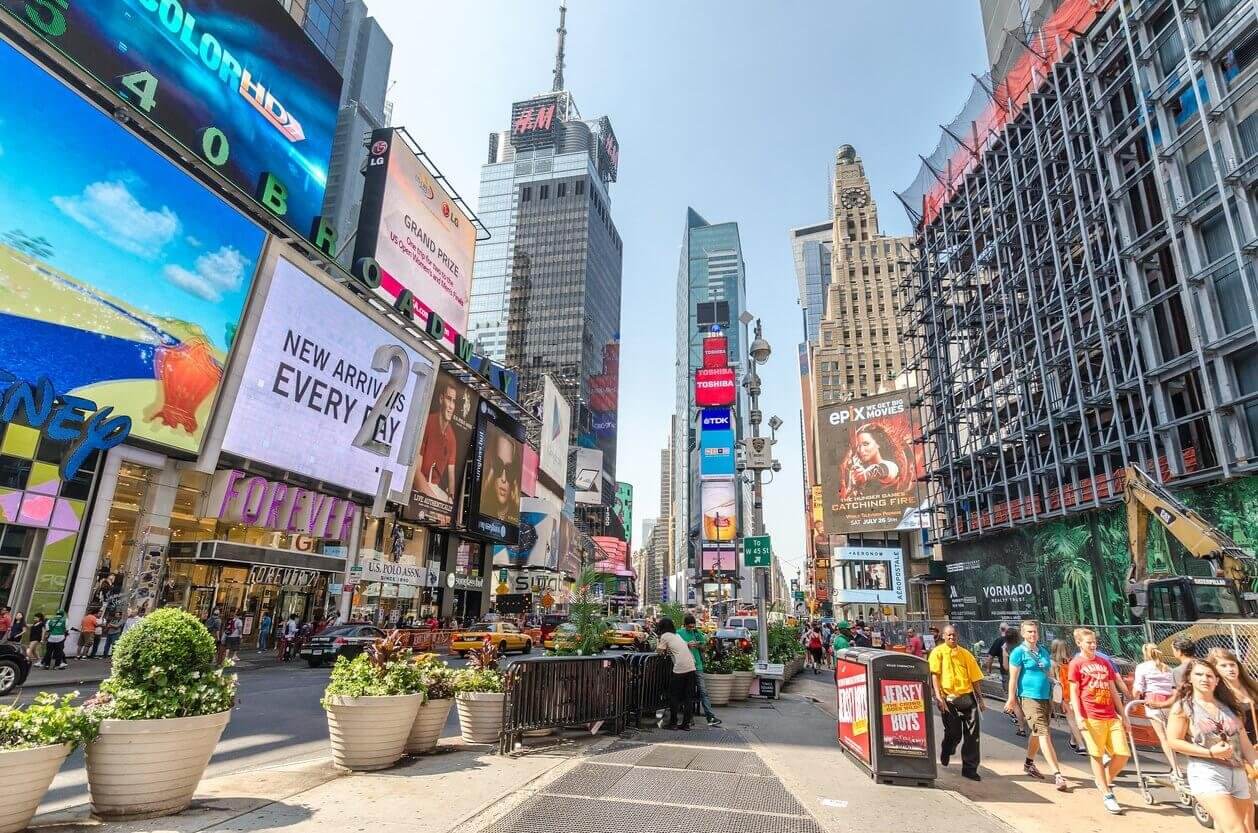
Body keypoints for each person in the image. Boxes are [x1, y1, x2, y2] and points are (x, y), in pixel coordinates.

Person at [1166, 659, 1258, 833]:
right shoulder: (1183, 707)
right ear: (1189, 679)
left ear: (1217, 680)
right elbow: (1174, 741)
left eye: (1209, 675)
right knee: (1237, 829)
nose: (1204, 679)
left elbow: (1245, 744)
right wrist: (1210, 752)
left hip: (1238, 773)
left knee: (1236, 828)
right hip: (1207, 772)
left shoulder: (1230, 707)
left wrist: (1256, 763)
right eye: (1199, 674)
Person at [1069, 627, 1129, 814]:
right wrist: (1079, 717)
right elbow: (1074, 691)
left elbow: (1112, 689)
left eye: (1094, 642)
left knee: (1122, 754)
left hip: (1110, 715)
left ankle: (1104, 781)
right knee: (1096, 754)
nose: (1093, 645)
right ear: (1079, 643)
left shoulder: (1104, 662)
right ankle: (1107, 793)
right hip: (1091, 715)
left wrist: (1123, 714)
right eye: (1089, 642)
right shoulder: (1076, 664)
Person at [1006, 620, 1068, 790]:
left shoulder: (1043, 651)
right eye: (1029, 632)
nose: (1033, 635)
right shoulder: (1018, 653)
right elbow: (1013, 678)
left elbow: (1047, 673)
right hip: (1029, 697)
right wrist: (1011, 698)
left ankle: (1029, 763)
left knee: (1037, 732)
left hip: (1045, 697)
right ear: (1023, 633)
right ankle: (1058, 774)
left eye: (1035, 632)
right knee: (1044, 734)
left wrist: (1059, 694)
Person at [928, 624, 986, 781]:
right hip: (948, 698)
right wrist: (938, 697)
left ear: (957, 636)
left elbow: (975, 679)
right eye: (949, 635)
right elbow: (934, 675)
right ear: (944, 636)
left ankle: (970, 768)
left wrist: (980, 700)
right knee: (954, 733)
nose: (952, 638)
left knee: (973, 735)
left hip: (967, 697)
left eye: (954, 635)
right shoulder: (937, 653)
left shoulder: (966, 654)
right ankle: (947, 749)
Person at [1133, 642, 1183, 785]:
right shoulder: (1168, 668)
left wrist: (1134, 700)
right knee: (1173, 734)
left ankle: (1176, 768)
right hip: (1170, 702)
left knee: (1163, 737)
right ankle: (1176, 766)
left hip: (1153, 700)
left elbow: (1138, 687)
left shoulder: (1142, 667)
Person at [678, 614, 722, 726]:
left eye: (693, 626)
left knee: (703, 691)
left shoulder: (697, 633)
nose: (691, 629)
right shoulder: (679, 633)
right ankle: (689, 718)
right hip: (687, 666)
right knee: (688, 692)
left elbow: (704, 648)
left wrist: (698, 645)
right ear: (685, 625)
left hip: (698, 666)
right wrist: (686, 645)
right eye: (689, 627)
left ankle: (710, 717)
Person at [655, 617, 697, 731]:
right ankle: (686, 724)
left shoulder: (665, 636)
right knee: (688, 698)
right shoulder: (677, 635)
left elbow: (659, 651)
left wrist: (659, 643)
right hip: (691, 667)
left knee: (674, 696)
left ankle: (673, 724)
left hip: (680, 669)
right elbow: (683, 646)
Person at [1051, 639, 1088, 756]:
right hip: (1077, 692)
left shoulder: (1052, 663)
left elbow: (1054, 680)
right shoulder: (1073, 661)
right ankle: (1073, 740)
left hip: (1065, 694)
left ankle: (1081, 745)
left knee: (1071, 720)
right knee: (1077, 718)